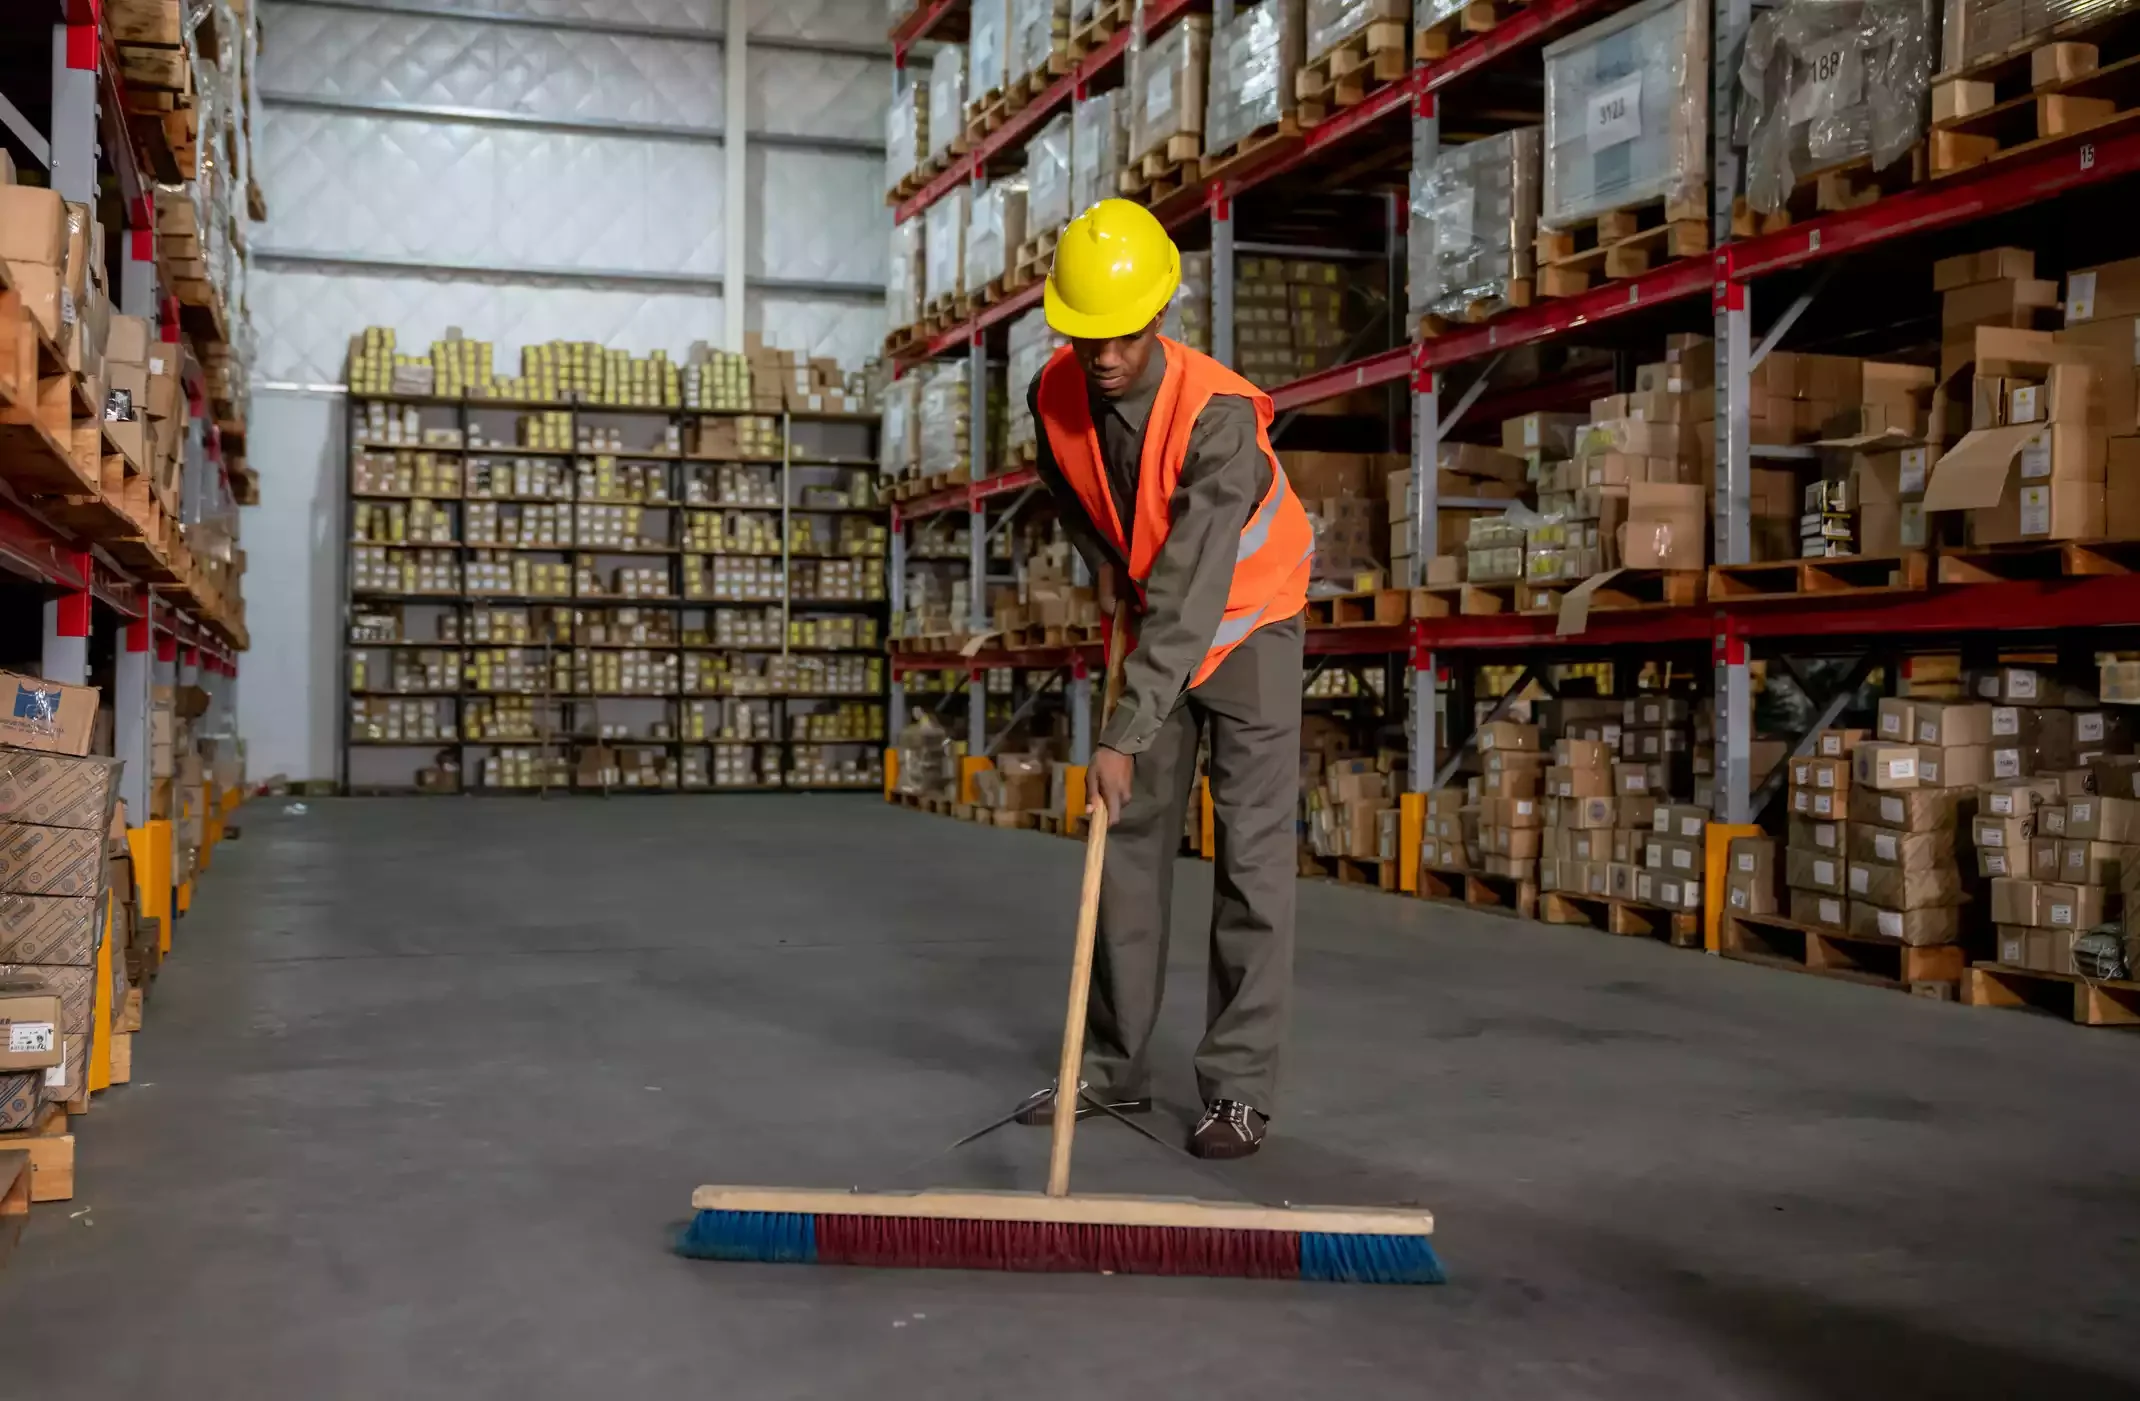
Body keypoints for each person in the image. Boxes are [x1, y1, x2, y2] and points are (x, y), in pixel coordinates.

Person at [1013, 199, 1313, 1160]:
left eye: (1124, 334)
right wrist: (1098, 552)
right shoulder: (1053, 392)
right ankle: (1108, 1068)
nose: (1104, 354)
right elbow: (1070, 485)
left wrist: (1121, 728)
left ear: (1160, 316)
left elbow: (1194, 590)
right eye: (1085, 333)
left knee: (1253, 860)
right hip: (1155, 620)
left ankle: (1237, 1089)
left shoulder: (1217, 414)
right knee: (1127, 837)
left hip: (1250, 622)